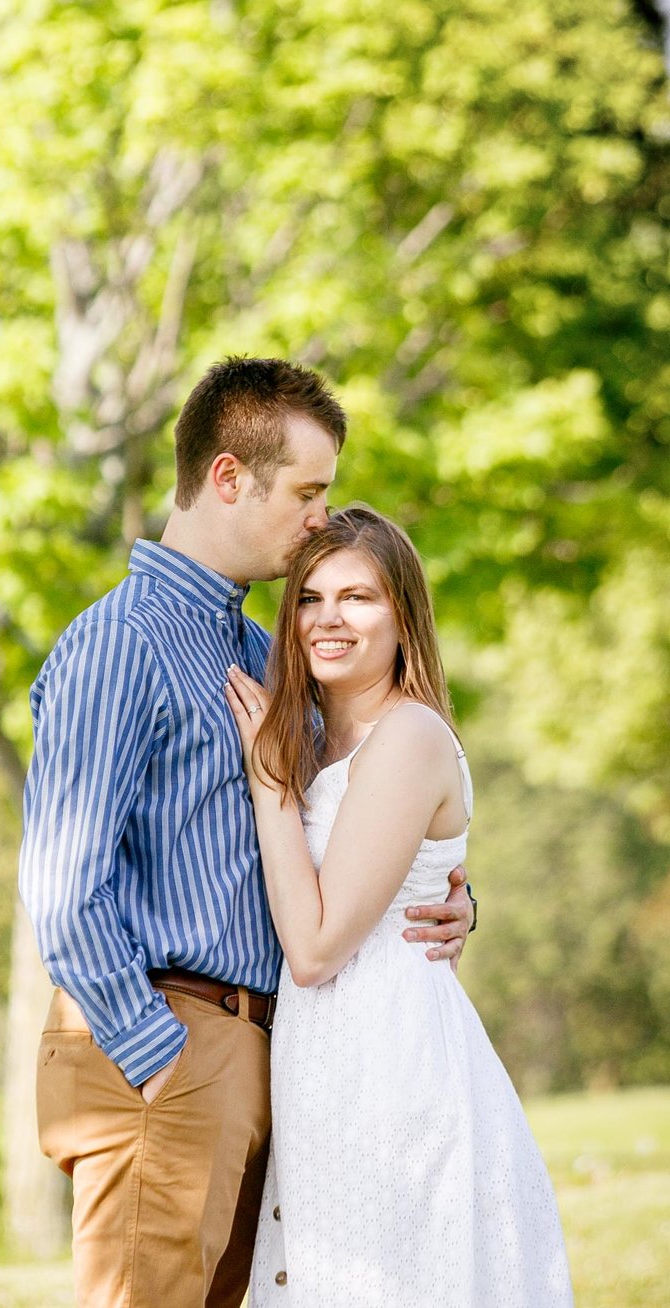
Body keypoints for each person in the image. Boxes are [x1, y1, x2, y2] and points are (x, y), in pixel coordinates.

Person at [19, 359, 474, 1308]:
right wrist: (161, 1059)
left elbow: (343, 824)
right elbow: (64, 885)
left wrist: (443, 895)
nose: (320, 518)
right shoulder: (123, 641)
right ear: (229, 477)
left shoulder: (246, 644)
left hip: (274, 1049)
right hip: (165, 1039)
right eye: (309, 491)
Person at [225, 504, 574, 1307]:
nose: (328, 618)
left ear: (404, 618)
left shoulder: (408, 736)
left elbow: (313, 951)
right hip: (326, 1058)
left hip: (391, 1061)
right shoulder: (319, 737)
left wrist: (269, 787)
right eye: (310, 597)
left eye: (359, 597)